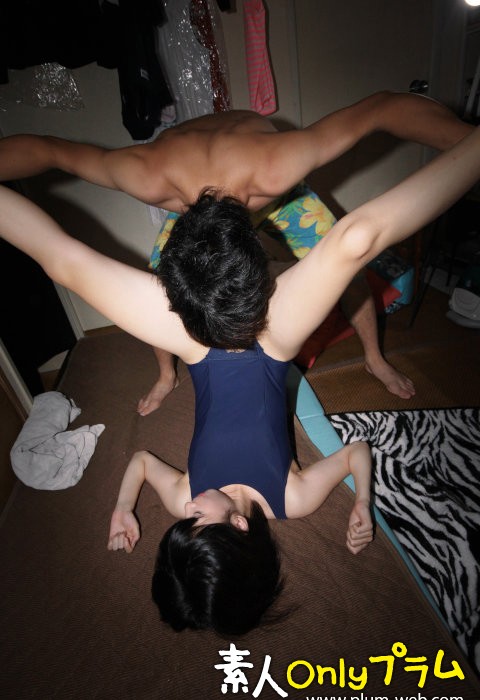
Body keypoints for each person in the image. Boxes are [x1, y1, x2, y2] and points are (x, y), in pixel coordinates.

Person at [1, 121, 480, 634]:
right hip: (271, 343)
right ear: (238, 524)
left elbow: (140, 461)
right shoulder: (291, 500)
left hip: (199, 349)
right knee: (356, 239)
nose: (186, 509)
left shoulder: (185, 497)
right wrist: (362, 501)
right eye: (196, 521)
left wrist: (122, 508)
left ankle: (257, 248)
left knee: (66, 266)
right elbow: (356, 452)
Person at [0, 91, 473, 415]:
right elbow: (49, 149)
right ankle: (165, 375)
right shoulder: (143, 174)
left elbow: (381, 108)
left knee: (348, 271)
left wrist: (466, 143)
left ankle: (375, 357)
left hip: (272, 185)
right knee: (158, 283)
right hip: (197, 192)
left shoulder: (279, 166)